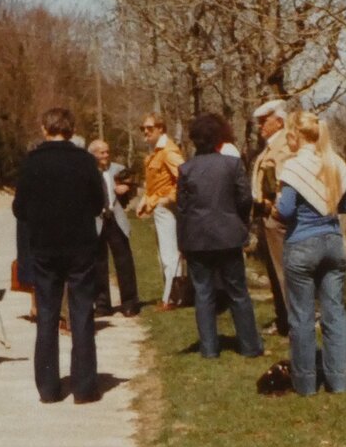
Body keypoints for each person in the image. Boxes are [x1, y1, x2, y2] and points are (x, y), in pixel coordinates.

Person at [13, 107, 107, 404]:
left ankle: (49, 388)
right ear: (71, 128)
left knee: (48, 314)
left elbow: (19, 209)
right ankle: (84, 386)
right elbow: (96, 203)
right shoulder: (85, 161)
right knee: (81, 313)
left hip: (45, 248)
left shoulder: (31, 163)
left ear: (44, 128)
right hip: (80, 246)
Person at [275, 111, 346, 396]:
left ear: (296, 136)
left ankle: (306, 384)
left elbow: (284, 212)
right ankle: (339, 381)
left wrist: (275, 204)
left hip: (302, 245)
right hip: (333, 243)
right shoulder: (335, 163)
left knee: (302, 318)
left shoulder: (294, 168)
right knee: (335, 314)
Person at [176, 113, 265, 359]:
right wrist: (239, 221)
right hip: (228, 235)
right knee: (238, 291)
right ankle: (250, 346)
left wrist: (182, 242)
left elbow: (181, 209)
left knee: (203, 293)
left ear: (194, 141)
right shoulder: (232, 165)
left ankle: (209, 348)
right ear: (218, 139)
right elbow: (245, 198)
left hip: (197, 238)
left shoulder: (185, 169)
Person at [135, 112, 185, 312]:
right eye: (143, 128)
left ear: (160, 129)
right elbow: (154, 184)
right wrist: (145, 200)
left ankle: (172, 298)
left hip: (167, 209)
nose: (145, 132)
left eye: (149, 128)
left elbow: (184, 177)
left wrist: (168, 198)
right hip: (158, 208)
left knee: (170, 254)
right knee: (164, 254)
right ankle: (172, 295)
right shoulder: (155, 152)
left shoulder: (168, 151)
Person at [251, 98, 292, 336]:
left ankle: (291, 322)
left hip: (276, 219)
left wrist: (275, 211)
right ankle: (283, 320)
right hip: (267, 217)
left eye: (264, 121)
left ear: (279, 121)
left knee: (283, 272)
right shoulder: (271, 146)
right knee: (276, 274)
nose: (260, 126)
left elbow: (283, 184)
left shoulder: (284, 146)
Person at [88, 139, 140, 318]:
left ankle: (130, 303)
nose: (106, 156)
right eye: (102, 153)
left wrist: (127, 188)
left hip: (116, 219)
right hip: (97, 220)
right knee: (98, 263)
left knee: (124, 261)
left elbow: (134, 183)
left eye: (107, 152)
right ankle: (102, 305)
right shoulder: (87, 172)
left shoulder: (117, 169)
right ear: (93, 154)